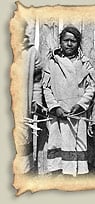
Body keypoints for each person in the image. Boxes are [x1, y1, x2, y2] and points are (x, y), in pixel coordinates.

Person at [42, 26, 94, 176]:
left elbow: (91, 88)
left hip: (77, 113)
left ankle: (75, 177)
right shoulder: (53, 63)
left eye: (73, 41)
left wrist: (81, 104)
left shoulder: (85, 63)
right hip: (58, 113)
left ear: (78, 43)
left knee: (76, 145)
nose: (69, 44)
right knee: (58, 143)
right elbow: (46, 88)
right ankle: (59, 176)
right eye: (66, 40)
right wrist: (55, 107)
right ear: (60, 42)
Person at [14, 23, 43, 174]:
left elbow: (37, 81)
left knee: (22, 141)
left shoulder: (31, 52)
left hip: (22, 107)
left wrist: (36, 101)